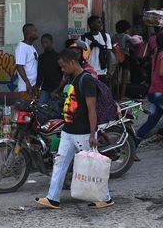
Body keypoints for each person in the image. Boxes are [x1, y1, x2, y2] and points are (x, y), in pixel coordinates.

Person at [35, 49, 114, 209]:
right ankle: (53, 198)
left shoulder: (86, 80)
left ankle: (105, 198)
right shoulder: (73, 78)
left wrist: (93, 135)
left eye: (63, 67)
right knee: (60, 162)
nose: (62, 70)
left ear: (72, 62)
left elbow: (92, 110)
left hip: (84, 133)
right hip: (68, 130)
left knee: (92, 165)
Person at [136, 31, 163, 146]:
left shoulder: (157, 54)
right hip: (162, 93)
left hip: (155, 93)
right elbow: (162, 73)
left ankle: (132, 144)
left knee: (151, 122)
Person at [82, 16, 112, 84]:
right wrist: (91, 46)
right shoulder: (83, 38)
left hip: (102, 71)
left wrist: (109, 71)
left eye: (101, 22)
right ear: (91, 25)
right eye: (98, 22)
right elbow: (82, 56)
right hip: (88, 71)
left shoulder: (106, 36)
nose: (101, 24)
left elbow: (108, 54)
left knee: (102, 93)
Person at [36, 34, 63, 105]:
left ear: (51, 42)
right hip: (45, 88)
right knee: (40, 108)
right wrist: (37, 88)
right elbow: (40, 74)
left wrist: (59, 89)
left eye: (46, 42)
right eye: (42, 42)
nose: (44, 44)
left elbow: (64, 74)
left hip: (57, 88)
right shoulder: (41, 57)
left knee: (56, 110)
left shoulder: (58, 56)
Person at [15, 23, 39, 101]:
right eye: (34, 31)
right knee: (26, 112)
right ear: (28, 33)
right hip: (26, 88)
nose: (37, 32)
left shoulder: (31, 47)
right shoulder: (21, 47)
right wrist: (27, 84)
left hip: (33, 86)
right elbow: (19, 66)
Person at [112, 20, 132, 99]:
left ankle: (114, 94)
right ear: (125, 29)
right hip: (125, 57)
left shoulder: (113, 36)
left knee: (115, 77)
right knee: (124, 78)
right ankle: (122, 95)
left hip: (116, 57)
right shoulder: (127, 36)